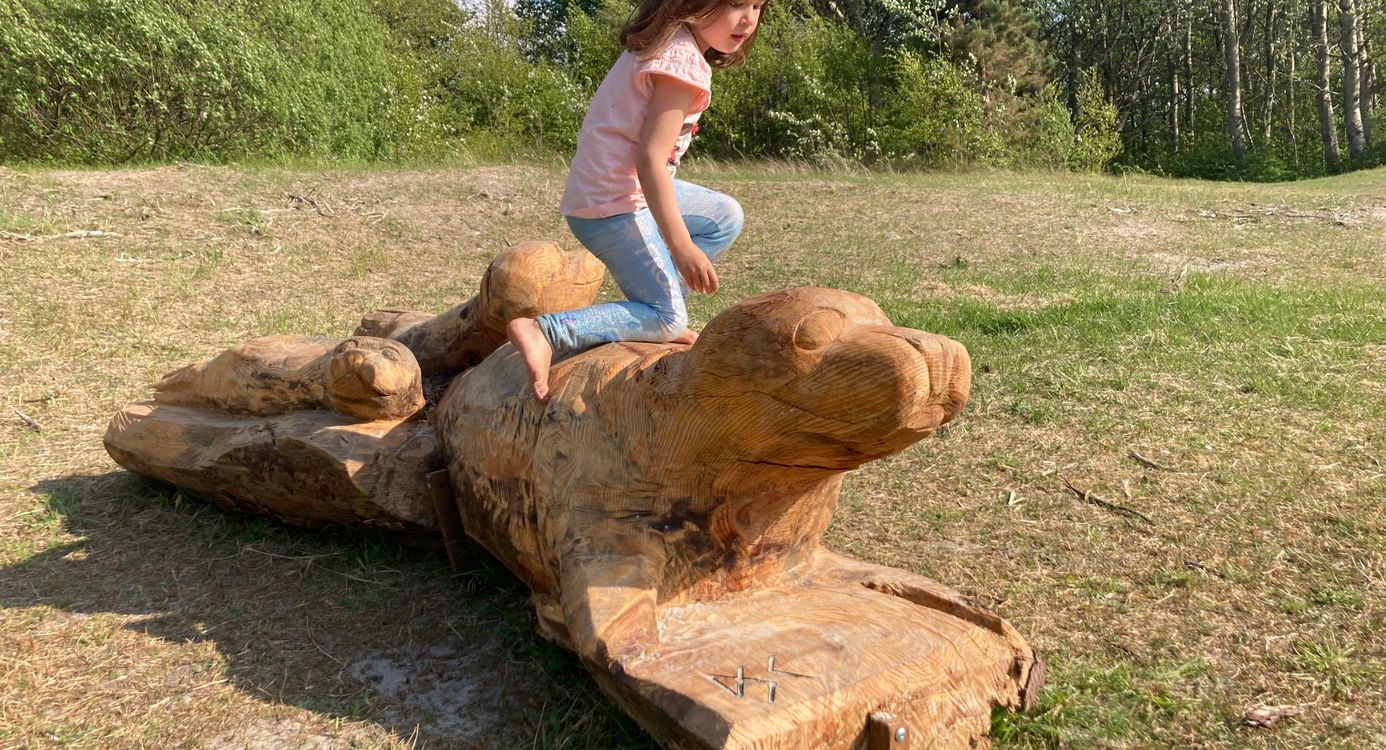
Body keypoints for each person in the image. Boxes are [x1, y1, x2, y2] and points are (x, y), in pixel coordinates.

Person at [506, 0, 766, 402]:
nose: (749, 19)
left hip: (612, 191)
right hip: (613, 204)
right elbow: (650, 160)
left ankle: (658, 311)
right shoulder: (682, 63)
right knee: (668, 317)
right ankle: (547, 331)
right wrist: (681, 246)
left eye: (758, 5)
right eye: (735, 3)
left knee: (724, 217)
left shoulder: (668, 44)